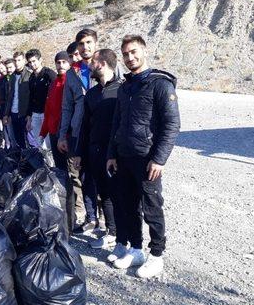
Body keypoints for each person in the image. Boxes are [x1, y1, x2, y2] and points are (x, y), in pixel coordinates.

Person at [107, 35, 180, 278]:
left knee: (152, 208)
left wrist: (159, 159)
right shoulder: (125, 86)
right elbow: (116, 122)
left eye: (134, 52)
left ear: (144, 51)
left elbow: (172, 124)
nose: (130, 57)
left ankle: (157, 255)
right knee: (128, 206)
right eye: (126, 54)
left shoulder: (160, 84)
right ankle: (136, 248)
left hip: (147, 159)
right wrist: (112, 153)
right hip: (124, 156)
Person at [76, 49, 124, 249]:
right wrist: (80, 152)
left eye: (93, 62)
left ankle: (125, 237)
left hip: (117, 154)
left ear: (102, 64)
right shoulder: (92, 94)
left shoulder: (122, 90)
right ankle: (111, 232)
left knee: (120, 195)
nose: (89, 66)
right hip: (95, 152)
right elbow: (85, 125)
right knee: (104, 194)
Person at [58, 29, 100, 233]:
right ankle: (92, 218)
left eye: (89, 42)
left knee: (106, 175)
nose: (85, 47)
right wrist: (62, 134)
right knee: (83, 175)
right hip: (78, 131)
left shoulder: (106, 65)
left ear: (96, 43)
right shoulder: (72, 73)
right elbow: (66, 106)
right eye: (82, 44)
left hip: (101, 129)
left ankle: (113, 225)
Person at [40, 51, 71, 167]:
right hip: (53, 132)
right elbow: (48, 110)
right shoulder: (53, 84)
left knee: (72, 170)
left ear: (69, 63)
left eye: (64, 62)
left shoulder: (71, 82)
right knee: (59, 167)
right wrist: (43, 132)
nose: (61, 65)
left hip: (67, 133)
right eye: (58, 62)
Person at [25, 49, 56, 149]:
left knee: (48, 144)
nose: (32, 64)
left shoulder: (49, 74)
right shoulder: (31, 78)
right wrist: (29, 117)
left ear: (40, 60)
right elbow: (31, 97)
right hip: (35, 114)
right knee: (39, 144)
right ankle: (44, 164)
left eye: (34, 61)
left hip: (47, 114)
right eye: (29, 62)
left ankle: (52, 164)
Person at [3, 51, 31, 149]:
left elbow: (31, 97)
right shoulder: (12, 76)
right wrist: (6, 114)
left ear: (24, 60)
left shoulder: (29, 74)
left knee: (30, 140)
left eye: (19, 60)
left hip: (24, 113)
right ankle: (22, 159)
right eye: (15, 60)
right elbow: (10, 97)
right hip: (14, 112)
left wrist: (29, 114)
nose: (17, 62)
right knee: (18, 139)